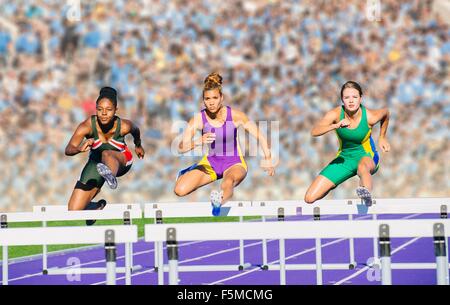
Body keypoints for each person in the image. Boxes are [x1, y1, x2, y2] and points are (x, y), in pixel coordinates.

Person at [174, 72, 275, 215]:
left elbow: (260, 136)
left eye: (215, 98)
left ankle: (218, 202)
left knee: (227, 183)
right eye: (207, 99)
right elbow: (181, 147)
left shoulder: (235, 116)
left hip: (234, 163)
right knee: (180, 190)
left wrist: (268, 159)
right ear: (203, 100)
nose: (211, 102)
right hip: (211, 163)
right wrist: (198, 141)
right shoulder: (198, 119)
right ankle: (190, 170)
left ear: (221, 98)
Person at [64, 86, 144, 224]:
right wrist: (78, 149)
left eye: (108, 110)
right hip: (96, 163)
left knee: (107, 154)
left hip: (121, 160)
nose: (104, 114)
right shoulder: (87, 126)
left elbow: (136, 130)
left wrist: (138, 145)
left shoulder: (124, 125)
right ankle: (95, 207)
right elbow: (68, 149)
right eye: (100, 110)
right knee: (73, 211)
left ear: (116, 110)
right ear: (95, 109)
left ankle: (110, 176)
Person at [304, 81, 390, 206]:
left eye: (354, 97)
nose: (351, 101)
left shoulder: (370, 116)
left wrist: (382, 137)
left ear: (360, 98)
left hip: (366, 156)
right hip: (344, 158)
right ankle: (333, 184)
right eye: (347, 97)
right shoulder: (335, 114)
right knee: (309, 198)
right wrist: (335, 125)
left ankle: (366, 194)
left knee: (362, 167)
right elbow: (314, 131)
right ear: (342, 99)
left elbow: (386, 112)